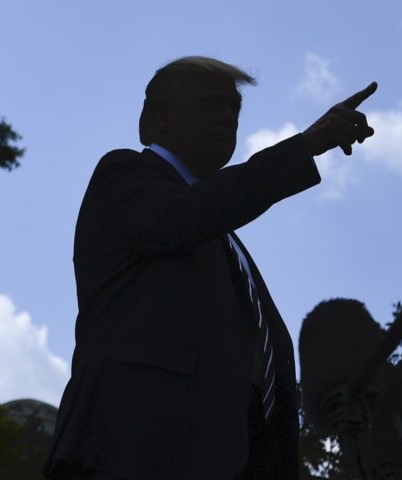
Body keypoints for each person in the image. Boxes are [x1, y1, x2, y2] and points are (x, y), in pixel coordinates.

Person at [42, 56, 377, 480]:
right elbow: (191, 215)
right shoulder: (124, 176)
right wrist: (305, 145)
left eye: (234, 110)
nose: (226, 119)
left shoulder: (222, 238)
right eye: (210, 104)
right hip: (129, 450)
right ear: (157, 119)